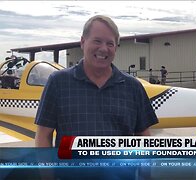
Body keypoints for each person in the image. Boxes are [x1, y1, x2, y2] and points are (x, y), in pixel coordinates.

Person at [34, 15, 158, 148]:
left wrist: (145, 167)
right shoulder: (58, 83)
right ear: (82, 42)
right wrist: (47, 168)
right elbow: (43, 135)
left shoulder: (133, 87)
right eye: (97, 41)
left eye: (110, 43)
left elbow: (144, 137)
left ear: (115, 48)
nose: (104, 48)